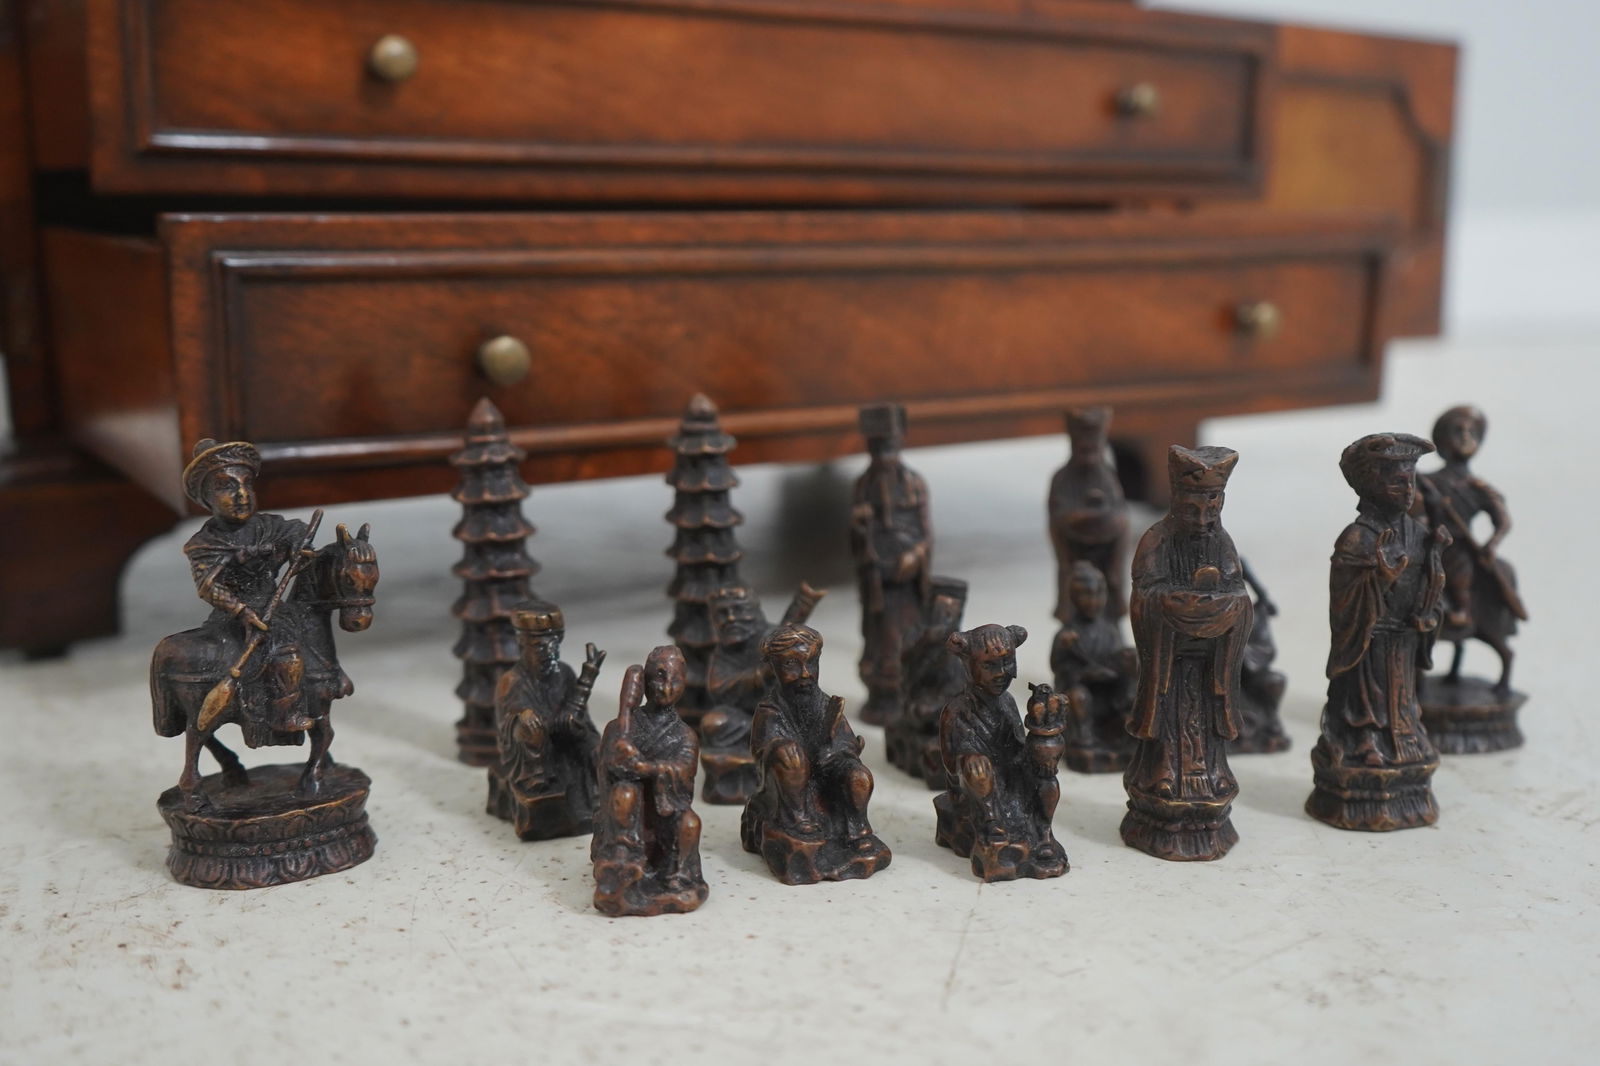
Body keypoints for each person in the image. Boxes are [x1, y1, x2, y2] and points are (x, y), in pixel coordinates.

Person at [1121, 445, 1252, 861]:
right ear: (1176, 499)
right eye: (1193, 507)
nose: (1202, 517)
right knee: (1168, 730)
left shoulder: (1222, 542)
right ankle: (1161, 781)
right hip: (1170, 665)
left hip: (1207, 663)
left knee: (1207, 734)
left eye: (1211, 505)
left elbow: (1238, 594)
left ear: (1222, 502)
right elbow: (1145, 596)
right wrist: (1177, 605)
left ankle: (1209, 783)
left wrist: (1221, 607)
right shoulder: (1156, 540)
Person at [166, 438, 314, 747]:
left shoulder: (269, 526)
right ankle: (283, 715)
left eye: (247, 485)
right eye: (227, 487)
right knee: (284, 653)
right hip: (235, 614)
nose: (242, 495)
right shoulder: (205, 543)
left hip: (273, 604)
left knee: (313, 630)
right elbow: (208, 586)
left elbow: (298, 530)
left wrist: (301, 548)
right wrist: (241, 611)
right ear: (207, 498)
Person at [740, 624, 890, 883]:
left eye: (811, 663)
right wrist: (788, 754)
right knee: (788, 753)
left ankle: (857, 830)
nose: (805, 674)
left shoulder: (826, 705)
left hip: (827, 777)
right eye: (791, 665)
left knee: (858, 775)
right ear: (773, 668)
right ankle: (796, 821)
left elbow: (844, 744)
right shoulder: (770, 711)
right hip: (787, 790)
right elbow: (763, 752)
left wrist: (841, 752)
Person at [936, 623, 1069, 880]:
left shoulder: (1007, 702)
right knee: (976, 765)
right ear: (969, 664)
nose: (1001, 674)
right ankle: (991, 826)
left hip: (1011, 778)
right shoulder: (956, 710)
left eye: (1007, 663)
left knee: (1047, 776)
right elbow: (951, 765)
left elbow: (1018, 747)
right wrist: (974, 761)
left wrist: (1040, 742)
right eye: (989, 666)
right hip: (976, 789)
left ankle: (1043, 831)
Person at [592, 646, 707, 915]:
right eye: (659, 677)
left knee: (690, 822)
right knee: (624, 793)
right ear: (643, 681)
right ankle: (623, 857)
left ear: (684, 684)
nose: (666, 687)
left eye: (675, 680)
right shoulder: (621, 728)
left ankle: (675, 875)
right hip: (630, 813)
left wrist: (646, 768)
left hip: (665, 810)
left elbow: (684, 770)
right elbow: (608, 770)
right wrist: (619, 758)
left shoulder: (685, 735)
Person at [488, 600, 605, 840]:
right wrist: (522, 715)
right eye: (540, 647)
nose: (549, 653)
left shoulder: (565, 673)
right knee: (529, 726)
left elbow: (578, 714)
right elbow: (506, 726)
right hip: (533, 750)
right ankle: (538, 781)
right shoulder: (511, 680)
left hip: (567, 736)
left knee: (599, 747)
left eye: (554, 646)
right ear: (522, 644)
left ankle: (601, 796)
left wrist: (575, 718)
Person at [850, 404, 933, 723]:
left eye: (890, 445)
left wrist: (915, 556)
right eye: (877, 447)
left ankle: (907, 684)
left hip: (906, 579)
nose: (884, 453)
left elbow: (926, 534)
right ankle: (880, 687)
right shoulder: (862, 486)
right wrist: (858, 528)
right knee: (879, 634)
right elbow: (855, 536)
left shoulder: (914, 483)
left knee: (908, 633)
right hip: (877, 580)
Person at [1048, 407, 1130, 622]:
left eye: (1094, 450)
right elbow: (1059, 518)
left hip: (1105, 550)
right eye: (1084, 450)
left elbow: (1121, 516)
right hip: (1074, 552)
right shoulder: (1062, 479)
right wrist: (1083, 517)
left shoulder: (1108, 476)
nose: (1089, 456)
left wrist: (1101, 518)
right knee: (1074, 587)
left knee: (1109, 586)